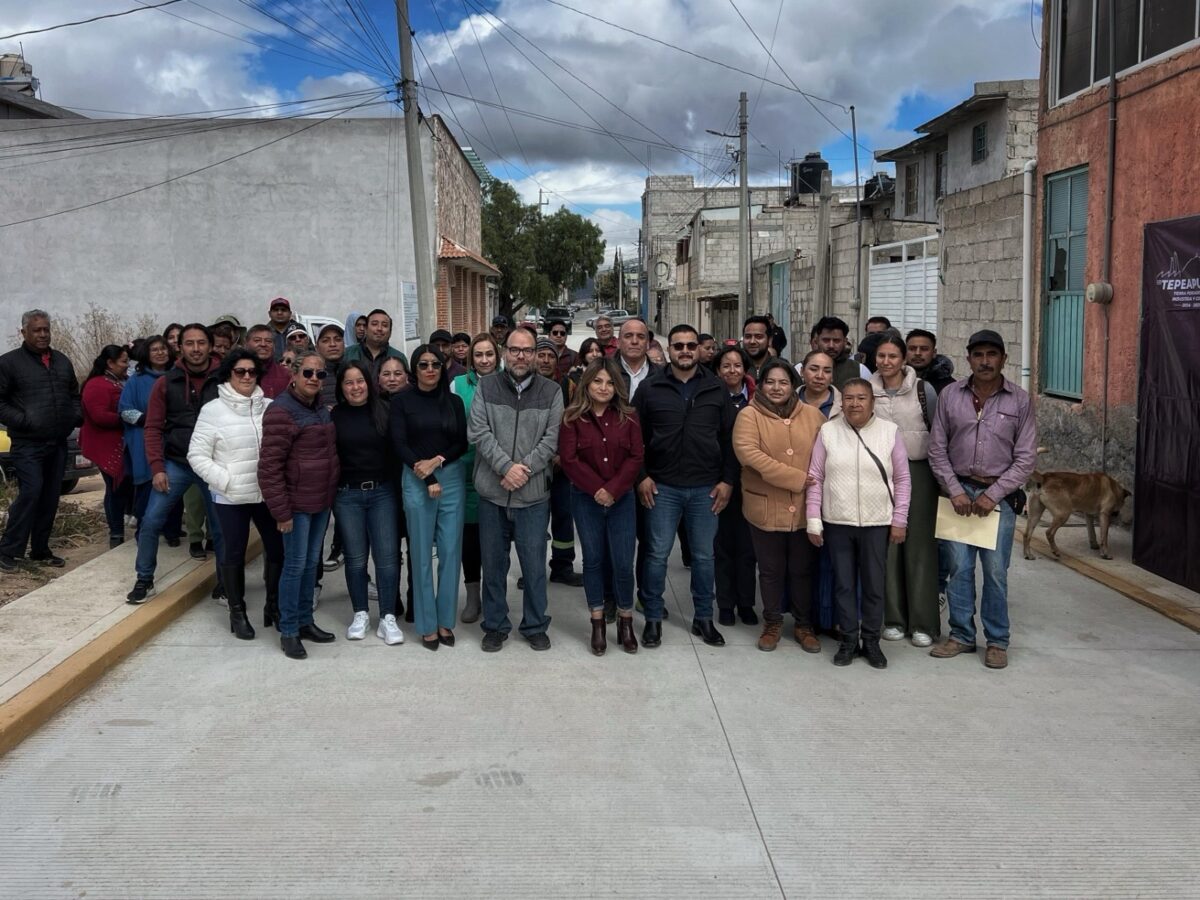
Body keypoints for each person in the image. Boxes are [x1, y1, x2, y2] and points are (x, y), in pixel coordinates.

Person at [928, 329, 1036, 670]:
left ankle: (997, 640)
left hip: (998, 499)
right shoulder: (950, 397)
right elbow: (936, 448)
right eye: (978, 355)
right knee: (958, 568)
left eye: (992, 354)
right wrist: (955, 490)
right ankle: (960, 635)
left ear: (1003, 358)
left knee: (995, 571)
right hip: (957, 496)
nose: (985, 361)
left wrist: (993, 494)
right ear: (969, 358)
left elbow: (1025, 457)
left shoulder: (1019, 400)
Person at [635, 324, 737, 648]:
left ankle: (703, 618)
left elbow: (729, 439)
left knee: (705, 557)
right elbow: (634, 439)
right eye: (678, 346)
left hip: (705, 488)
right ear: (670, 350)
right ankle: (653, 618)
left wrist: (727, 481)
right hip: (662, 487)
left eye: (691, 345)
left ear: (698, 349)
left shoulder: (717, 388)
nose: (684, 351)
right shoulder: (650, 389)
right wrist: (642, 476)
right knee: (656, 555)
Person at [467, 326, 563, 652]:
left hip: (533, 497)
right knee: (493, 567)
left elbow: (552, 439)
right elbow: (478, 431)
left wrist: (523, 471)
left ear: (536, 354)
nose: (520, 356)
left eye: (527, 350)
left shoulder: (551, 391)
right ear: (504, 352)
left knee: (534, 567)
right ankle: (495, 625)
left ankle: (535, 625)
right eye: (514, 349)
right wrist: (505, 467)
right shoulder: (486, 386)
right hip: (492, 494)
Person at [806, 379, 911, 668]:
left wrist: (899, 519)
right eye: (849, 398)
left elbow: (902, 479)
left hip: (877, 522)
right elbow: (816, 476)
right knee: (843, 585)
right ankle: (849, 640)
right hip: (837, 521)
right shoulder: (828, 432)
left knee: (875, 585)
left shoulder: (889, 432)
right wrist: (813, 518)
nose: (855, 404)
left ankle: (872, 642)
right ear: (842, 402)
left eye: (861, 398)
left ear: (872, 402)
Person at [187, 349, 284, 641]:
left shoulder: (270, 406)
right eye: (239, 371)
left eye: (251, 371)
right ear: (229, 373)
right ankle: (237, 612)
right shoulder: (213, 410)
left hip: (267, 495)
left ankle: (274, 606)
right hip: (231, 497)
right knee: (233, 554)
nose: (245, 376)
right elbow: (197, 455)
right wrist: (225, 481)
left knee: (278, 551)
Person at [126, 324, 224, 604]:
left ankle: (225, 583)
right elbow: (153, 427)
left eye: (201, 342)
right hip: (176, 464)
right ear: (179, 347)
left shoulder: (224, 379)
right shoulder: (165, 383)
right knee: (151, 521)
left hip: (212, 466)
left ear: (210, 345)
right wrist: (157, 467)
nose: (196, 349)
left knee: (221, 528)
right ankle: (144, 579)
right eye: (189, 343)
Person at [733, 359, 825, 652]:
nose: (776, 388)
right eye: (770, 382)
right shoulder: (749, 416)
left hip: (803, 507)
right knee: (771, 569)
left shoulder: (813, 416)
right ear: (760, 385)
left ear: (793, 385)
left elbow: (826, 454)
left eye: (783, 382)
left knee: (802, 568)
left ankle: (803, 624)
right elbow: (750, 455)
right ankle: (771, 622)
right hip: (765, 506)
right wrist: (797, 478)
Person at [559, 358, 644, 655]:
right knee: (593, 560)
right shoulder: (572, 418)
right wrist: (597, 489)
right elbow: (569, 460)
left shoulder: (629, 417)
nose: (604, 387)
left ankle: (625, 620)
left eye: (609, 382)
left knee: (623, 563)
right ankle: (597, 622)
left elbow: (636, 457)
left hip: (622, 500)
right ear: (587, 384)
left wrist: (613, 489)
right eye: (598, 381)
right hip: (586, 499)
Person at [258, 352, 339, 660]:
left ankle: (306, 621)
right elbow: (269, 467)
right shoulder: (281, 411)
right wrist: (281, 512)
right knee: (294, 566)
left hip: (320, 501)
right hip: (295, 505)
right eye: (308, 373)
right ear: (293, 374)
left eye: (320, 374)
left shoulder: (319, 408)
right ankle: (289, 629)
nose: (314, 379)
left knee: (310, 565)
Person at [392, 345, 468, 650]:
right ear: (415, 369)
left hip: (449, 477)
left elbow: (460, 444)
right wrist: (425, 473)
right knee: (421, 554)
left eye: (435, 364)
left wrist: (436, 464)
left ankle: (444, 621)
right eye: (423, 364)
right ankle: (426, 624)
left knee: (450, 552)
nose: (430, 369)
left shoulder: (453, 401)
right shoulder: (401, 402)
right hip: (414, 476)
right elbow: (398, 442)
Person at [870, 334, 940, 648]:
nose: (887, 362)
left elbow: (940, 433)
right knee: (889, 544)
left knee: (920, 546)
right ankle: (894, 619)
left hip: (918, 470)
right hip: (879, 474)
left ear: (903, 359)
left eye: (893, 356)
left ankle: (924, 622)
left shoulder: (925, 391)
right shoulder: (866, 392)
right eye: (882, 356)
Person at [0, 311, 81, 571]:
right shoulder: (9, 363)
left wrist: (74, 416)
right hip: (27, 443)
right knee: (31, 491)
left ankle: (40, 550)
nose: (43, 334)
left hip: (57, 441)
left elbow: (74, 395)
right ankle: (8, 551)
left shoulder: (62, 361)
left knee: (49, 496)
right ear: (24, 333)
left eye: (46, 329)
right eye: (37, 330)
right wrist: (24, 420)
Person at [331, 361, 404, 646]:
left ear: (369, 383)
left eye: (359, 381)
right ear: (341, 387)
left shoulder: (385, 411)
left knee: (387, 558)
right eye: (348, 382)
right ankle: (360, 612)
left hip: (382, 493)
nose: (355, 387)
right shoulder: (334, 416)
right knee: (356, 559)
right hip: (347, 495)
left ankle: (387, 617)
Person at [451, 334, 500, 624]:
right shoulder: (457, 385)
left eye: (489, 354)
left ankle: (494, 595)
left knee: (495, 540)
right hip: (468, 472)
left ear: (498, 355)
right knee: (469, 540)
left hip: (501, 474)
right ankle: (472, 597)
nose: (484, 360)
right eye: (478, 355)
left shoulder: (509, 382)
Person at [119, 336, 183, 546]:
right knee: (148, 486)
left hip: (174, 438)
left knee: (174, 483)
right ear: (146, 353)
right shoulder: (135, 380)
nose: (160, 353)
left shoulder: (178, 377)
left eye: (163, 349)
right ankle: (145, 533)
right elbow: (124, 410)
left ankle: (172, 531)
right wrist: (149, 419)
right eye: (154, 349)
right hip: (144, 438)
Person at [712, 345, 757, 627]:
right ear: (718, 370)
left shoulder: (758, 399)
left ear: (745, 369)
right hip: (719, 483)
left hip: (752, 483)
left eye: (737, 365)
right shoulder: (712, 398)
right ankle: (726, 604)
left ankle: (746, 603)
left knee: (748, 547)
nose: (732, 370)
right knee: (722, 546)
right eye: (726, 365)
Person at [797, 350, 841, 634]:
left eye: (826, 370)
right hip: (795, 485)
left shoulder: (843, 403)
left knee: (832, 558)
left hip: (834, 489)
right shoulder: (788, 400)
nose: (819, 375)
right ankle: (804, 617)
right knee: (802, 559)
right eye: (814, 369)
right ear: (803, 372)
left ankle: (832, 618)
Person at [376, 355, 415, 621]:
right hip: (384, 487)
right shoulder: (370, 404)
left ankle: (416, 599)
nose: (392, 378)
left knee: (416, 547)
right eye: (386, 374)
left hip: (413, 483)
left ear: (407, 376)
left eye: (397, 373)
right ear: (378, 378)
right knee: (388, 550)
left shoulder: (418, 402)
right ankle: (392, 600)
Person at [81, 345, 131, 549]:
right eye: (123, 362)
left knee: (119, 489)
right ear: (110, 363)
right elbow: (99, 416)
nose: (127, 366)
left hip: (121, 442)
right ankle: (116, 532)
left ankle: (119, 529)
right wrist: (129, 418)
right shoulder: (96, 385)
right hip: (104, 444)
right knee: (114, 489)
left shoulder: (121, 382)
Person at [344, 308, 409, 379]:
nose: (379, 328)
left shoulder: (399, 357)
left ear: (390, 332)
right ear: (366, 329)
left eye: (384, 325)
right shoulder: (348, 354)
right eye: (374, 324)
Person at [812, 316, 870, 389]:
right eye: (826, 340)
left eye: (836, 341)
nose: (831, 346)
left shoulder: (860, 371)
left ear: (845, 342)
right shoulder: (800, 369)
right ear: (816, 341)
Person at [244, 324, 291, 398]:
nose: (263, 344)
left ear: (274, 346)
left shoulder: (286, 375)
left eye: (268, 341)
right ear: (246, 344)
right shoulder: (237, 373)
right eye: (257, 340)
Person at [905, 329, 956, 393]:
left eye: (924, 349)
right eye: (912, 349)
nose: (917, 353)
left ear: (934, 353)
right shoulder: (895, 379)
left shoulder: (949, 387)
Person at [798, 351, 842, 420]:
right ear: (802, 371)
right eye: (814, 369)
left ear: (832, 376)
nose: (820, 376)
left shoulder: (845, 404)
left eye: (827, 371)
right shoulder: (787, 402)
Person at [316, 323, 345, 408]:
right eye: (325, 340)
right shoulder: (311, 375)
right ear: (316, 347)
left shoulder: (354, 371)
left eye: (338, 339)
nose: (332, 344)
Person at [740, 315, 773, 380]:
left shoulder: (783, 368)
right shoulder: (735, 370)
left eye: (759, 337)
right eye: (748, 336)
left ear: (769, 340)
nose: (752, 341)